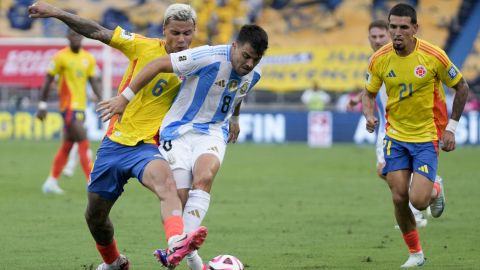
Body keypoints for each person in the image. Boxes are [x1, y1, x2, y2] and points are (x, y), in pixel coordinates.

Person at [29, 2, 207, 269]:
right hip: (114, 144)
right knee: (95, 216)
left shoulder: (196, 65)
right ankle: (114, 262)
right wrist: (57, 12)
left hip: (147, 147)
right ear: (164, 31)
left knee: (166, 186)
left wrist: (233, 117)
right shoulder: (141, 45)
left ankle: (175, 243)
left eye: (187, 33)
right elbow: (98, 31)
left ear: (194, 32)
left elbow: (234, 73)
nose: (181, 40)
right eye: (175, 33)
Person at [97, 24, 268, 270]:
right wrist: (124, 98)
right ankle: (192, 260)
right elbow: (156, 65)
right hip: (177, 129)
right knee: (181, 197)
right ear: (235, 47)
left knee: (205, 176)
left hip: (211, 132)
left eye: (256, 59)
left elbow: (238, 93)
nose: (250, 64)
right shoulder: (207, 56)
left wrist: (235, 119)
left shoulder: (254, 74)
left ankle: (176, 249)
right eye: (246, 56)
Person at [362, 4, 469, 267]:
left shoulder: (434, 56)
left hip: (426, 136)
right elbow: (369, 92)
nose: (397, 33)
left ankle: (434, 188)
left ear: (415, 29)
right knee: (398, 196)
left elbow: (462, 87)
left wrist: (451, 128)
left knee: (417, 201)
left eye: (403, 27)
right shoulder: (379, 59)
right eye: (393, 27)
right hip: (395, 136)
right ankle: (416, 254)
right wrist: (368, 115)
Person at [350, 20, 431, 229]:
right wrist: (359, 100)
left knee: (390, 170)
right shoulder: (376, 60)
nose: (377, 41)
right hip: (386, 126)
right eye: (373, 37)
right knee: (384, 171)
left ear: (390, 35)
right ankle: (426, 190)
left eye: (381, 37)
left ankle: (419, 206)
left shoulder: (400, 56)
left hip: (406, 128)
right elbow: (373, 88)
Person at [37, 29, 102, 194]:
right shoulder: (60, 57)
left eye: (79, 35)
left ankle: (51, 182)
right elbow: (48, 80)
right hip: (68, 108)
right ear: (67, 37)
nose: (76, 38)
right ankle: (93, 182)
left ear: (82, 37)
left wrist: (103, 101)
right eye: (73, 35)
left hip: (81, 107)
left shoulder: (88, 58)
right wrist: (42, 105)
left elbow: (94, 81)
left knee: (67, 146)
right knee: (83, 141)